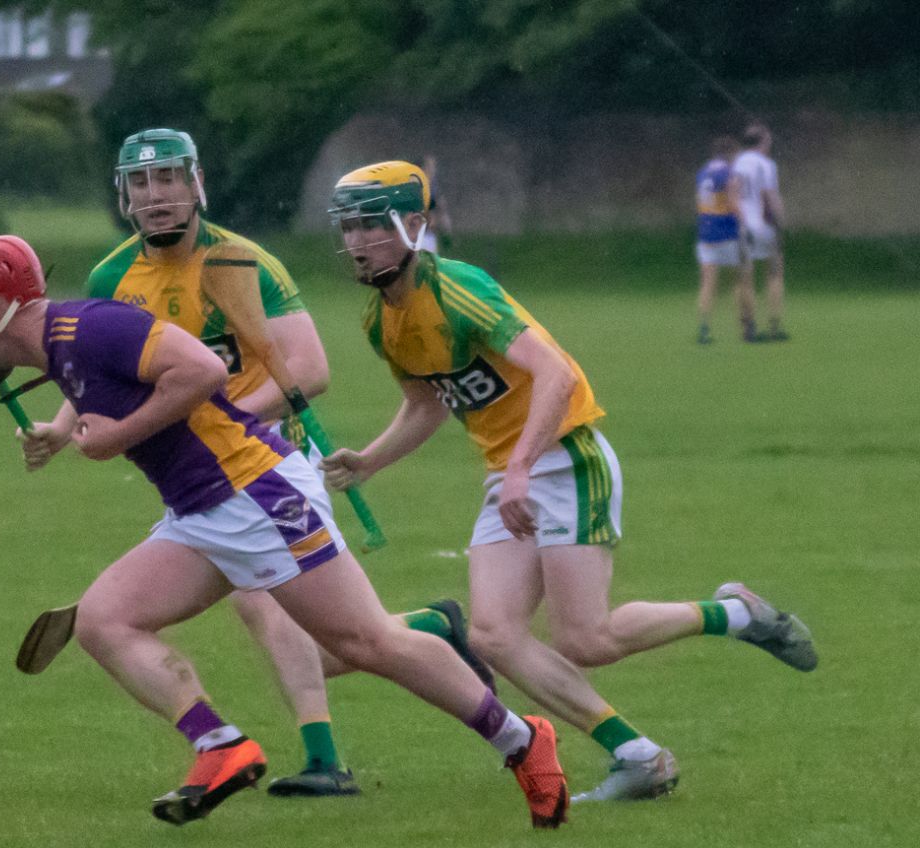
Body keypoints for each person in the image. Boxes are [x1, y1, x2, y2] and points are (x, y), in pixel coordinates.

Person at [0, 234, 570, 828]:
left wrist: (115, 439)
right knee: (105, 620)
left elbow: (203, 371)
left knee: (368, 642)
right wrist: (62, 431)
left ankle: (522, 740)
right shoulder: (64, 345)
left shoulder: (91, 326)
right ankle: (221, 748)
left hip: (256, 492)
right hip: (200, 511)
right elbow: (103, 390)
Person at [320, 161, 818, 803]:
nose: (358, 241)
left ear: (414, 225)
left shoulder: (459, 290)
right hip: (513, 473)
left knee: (587, 639)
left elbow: (555, 373)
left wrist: (522, 466)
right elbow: (428, 403)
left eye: (373, 226)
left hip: (565, 456)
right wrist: (370, 460)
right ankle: (638, 756)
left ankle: (735, 613)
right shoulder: (379, 320)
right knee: (494, 635)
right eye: (350, 226)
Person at [86, 128, 495, 797]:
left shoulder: (245, 262)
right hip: (193, 474)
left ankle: (325, 761)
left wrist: (226, 418)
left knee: (269, 609)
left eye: (168, 180)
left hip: (268, 464)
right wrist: (66, 423)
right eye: (140, 183)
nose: (155, 196)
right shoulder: (111, 278)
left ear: (195, 184)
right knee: (332, 635)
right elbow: (108, 378)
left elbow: (308, 368)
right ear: (124, 196)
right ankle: (425, 630)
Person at [694, 135, 756, 343]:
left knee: (708, 282)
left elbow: (700, 202)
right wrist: (745, 225)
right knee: (741, 279)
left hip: (706, 233)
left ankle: (704, 327)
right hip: (727, 233)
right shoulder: (729, 174)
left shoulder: (703, 173)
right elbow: (733, 203)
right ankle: (747, 326)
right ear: (731, 153)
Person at [732, 123, 788, 341]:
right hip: (764, 226)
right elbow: (770, 196)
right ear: (762, 142)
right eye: (768, 140)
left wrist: (740, 219)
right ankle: (774, 326)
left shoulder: (737, 164)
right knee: (774, 273)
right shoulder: (766, 164)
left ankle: (748, 328)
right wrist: (781, 219)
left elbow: (733, 194)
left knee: (744, 278)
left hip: (744, 226)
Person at [418, 154, 454, 255]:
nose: (432, 170)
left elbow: (441, 210)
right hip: (417, 235)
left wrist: (446, 232)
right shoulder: (416, 187)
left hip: (428, 235)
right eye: (429, 166)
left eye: (433, 167)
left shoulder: (433, 189)